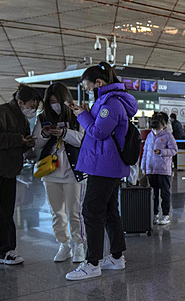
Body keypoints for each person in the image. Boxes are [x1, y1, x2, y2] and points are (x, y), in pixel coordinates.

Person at [64, 62, 138, 281]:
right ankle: (116, 257)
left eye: (89, 87)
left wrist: (82, 115)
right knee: (109, 210)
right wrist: (86, 112)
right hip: (107, 163)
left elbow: (98, 132)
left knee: (91, 211)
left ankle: (92, 263)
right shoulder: (107, 100)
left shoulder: (111, 104)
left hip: (104, 165)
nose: (88, 91)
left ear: (100, 82)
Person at [0, 84, 39, 271]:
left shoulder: (20, 117)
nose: (33, 110)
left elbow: (17, 141)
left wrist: (25, 144)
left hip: (8, 172)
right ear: (20, 102)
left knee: (6, 213)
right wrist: (17, 140)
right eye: (32, 105)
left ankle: (5, 250)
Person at [32, 82, 87, 263]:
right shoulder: (42, 118)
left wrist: (64, 133)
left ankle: (78, 245)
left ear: (65, 100)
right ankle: (63, 244)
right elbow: (36, 143)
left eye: (58, 101)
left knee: (74, 212)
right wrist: (46, 135)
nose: (55, 104)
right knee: (56, 212)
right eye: (51, 101)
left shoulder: (77, 116)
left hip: (73, 172)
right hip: (50, 172)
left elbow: (82, 140)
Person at [142, 112, 177, 225]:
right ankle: (154, 214)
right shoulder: (149, 135)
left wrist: (162, 152)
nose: (156, 130)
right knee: (154, 194)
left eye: (157, 128)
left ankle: (166, 215)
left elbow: (174, 150)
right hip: (151, 169)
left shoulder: (168, 135)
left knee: (165, 193)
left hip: (163, 170)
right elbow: (145, 152)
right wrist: (143, 166)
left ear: (164, 125)